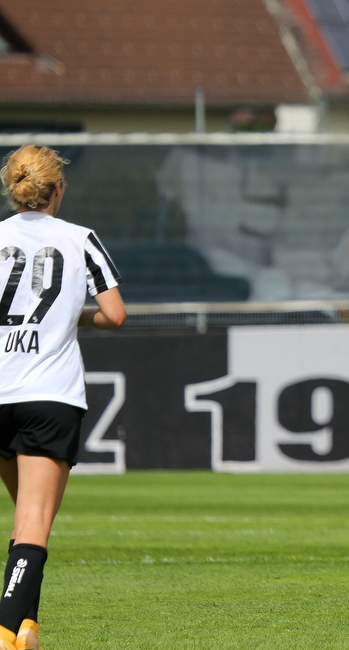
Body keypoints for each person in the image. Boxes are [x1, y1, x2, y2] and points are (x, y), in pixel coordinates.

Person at [0, 144, 126, 650]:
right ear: (58, 190)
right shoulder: (79, 239)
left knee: (22, 518)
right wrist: (69, 315)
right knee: (35, 521)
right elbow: (115, 314)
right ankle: (7, 630)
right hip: (50, 393)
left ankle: (26, 626)